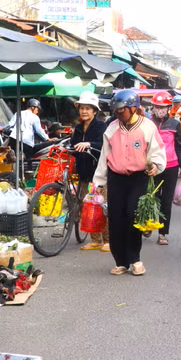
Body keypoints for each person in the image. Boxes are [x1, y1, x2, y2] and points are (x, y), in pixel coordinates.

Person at [93, 90, 166, 276]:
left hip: (138, 178)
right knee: (116, 218)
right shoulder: (112, 128)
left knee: (133, 216)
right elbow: (104, 157)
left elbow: (157, 150)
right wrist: (99, 182)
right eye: (116, 111)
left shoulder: (147, 127)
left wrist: (156, 166)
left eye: (122, 110)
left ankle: (135, 259)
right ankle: (121, 261)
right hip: (116, 178)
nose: (118, 114)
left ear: (134, 108)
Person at [72, 92, 110, 252]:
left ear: (95, 111)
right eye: (82, 108)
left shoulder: (101, 126)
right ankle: (95, 239)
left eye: (88, 108)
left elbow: (104, 145)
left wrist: (89, 144)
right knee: (87, 207)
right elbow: (74, 145)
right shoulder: (79, 127)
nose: (84, 111)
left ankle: (109, 240)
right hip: (84, 172)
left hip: (99, 173)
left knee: (102, 206)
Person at [149, 91, 181, 246]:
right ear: (153, 107)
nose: (160, 109)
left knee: (166, 200)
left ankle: (163, 232)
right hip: (152, 166)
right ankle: (148, 223)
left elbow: (180, 147)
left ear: (169, 107)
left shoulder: (175, 124)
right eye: (157, 106)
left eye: (163, 107)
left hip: (171, 166)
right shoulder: (147, 123)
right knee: (152, 197)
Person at [0, 99, 55, 165]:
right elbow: (39, 130)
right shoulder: (35, 117)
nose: (37, 111)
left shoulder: (18, 113)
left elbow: (9, 124)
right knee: (29, 160)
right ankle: (28, 172)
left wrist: (1, 126)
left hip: (14, 139)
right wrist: (47, 138)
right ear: (32, 107)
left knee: (12, 159)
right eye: (37, 109)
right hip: (27, 142)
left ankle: (12, 171)